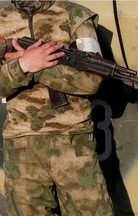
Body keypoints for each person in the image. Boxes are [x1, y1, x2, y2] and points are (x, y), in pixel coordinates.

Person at [0, 0, 113, 215]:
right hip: (22, 146)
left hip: (73, 143)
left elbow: (91, 81)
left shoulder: (76, 16)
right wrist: (23, 65)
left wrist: (39, 67)